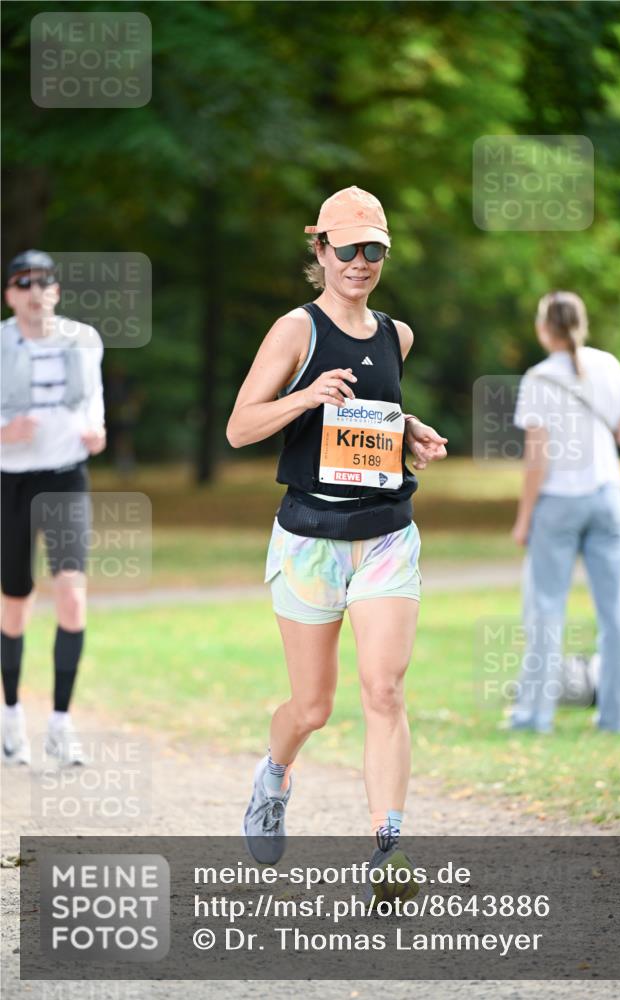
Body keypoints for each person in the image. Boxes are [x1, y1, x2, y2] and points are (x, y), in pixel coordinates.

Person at [226, 186, 447, 884]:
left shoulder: (395, 334)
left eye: (372, 249)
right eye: (345, 247)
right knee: (312, 707)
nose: (359, 261)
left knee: (383, 690)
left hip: (385, 536)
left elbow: (370, 422)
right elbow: (240, 428)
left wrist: (407, 436)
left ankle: (389, 848)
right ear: (319, 249)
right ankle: (274, 773)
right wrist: (306, 393)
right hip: (309, 539)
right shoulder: (296, 331)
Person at [510, 290, 620, 733]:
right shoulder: (608, 365)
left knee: (545, 610)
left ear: (545, 328)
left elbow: (537, 461)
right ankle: (617, 718)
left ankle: (533, 716)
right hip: (608, 498)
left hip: (559, 504)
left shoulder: (538, 378)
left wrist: (524, 518)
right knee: (615, 612)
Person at [1, 250, 106, 766]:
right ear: (10, 294)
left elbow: (95, 406)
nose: (35, 291)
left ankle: (61, 723)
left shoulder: (84, 340)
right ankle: (11, 713)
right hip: (10, 482)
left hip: (66, 477)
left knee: (72, 598)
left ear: (57, 291)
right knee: (15, 604)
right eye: (23, 282)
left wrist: (98, 431)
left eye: (44, 282)